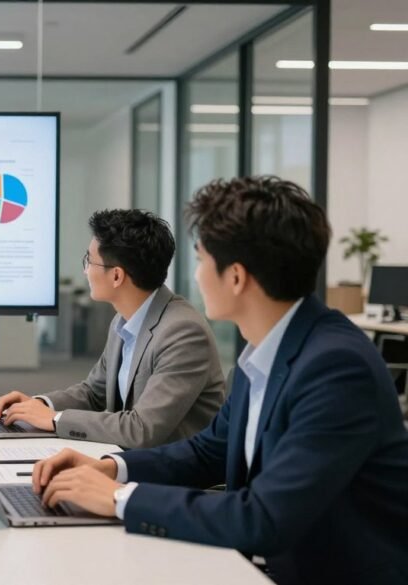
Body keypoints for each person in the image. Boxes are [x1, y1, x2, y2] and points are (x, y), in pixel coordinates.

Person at [33, 177, 408, 585]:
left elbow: (264, 517)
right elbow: (209, 451)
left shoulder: (336, 368)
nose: (195, 277)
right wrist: (111, 468)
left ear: (236, 277)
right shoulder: (264, 350)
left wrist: (121, 498)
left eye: (201, 260)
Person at [0, 209, 225, 448]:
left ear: (116, 276)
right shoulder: (123, 320)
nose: (85, 271)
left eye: (89, 260)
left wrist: (54, 419)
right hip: (127, 456)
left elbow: (142, 429)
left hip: (168, 467)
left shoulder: (183, 333)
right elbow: (94, 393)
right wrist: (40, 405)